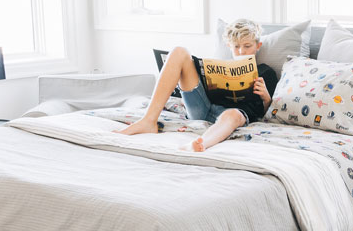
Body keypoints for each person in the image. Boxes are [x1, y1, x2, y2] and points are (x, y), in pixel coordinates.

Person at [118, 18, 276, 152]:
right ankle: (148, 120)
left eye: (247, 46)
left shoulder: (266, 72)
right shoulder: (221, 65)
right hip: (203, 107)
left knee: (233, 114)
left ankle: (200, 143)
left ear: (258, 46)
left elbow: (272, 111)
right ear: (229, 46)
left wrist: (266, 97)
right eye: (236, 46)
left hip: (235, 115)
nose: (241, 51)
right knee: (179, 51)